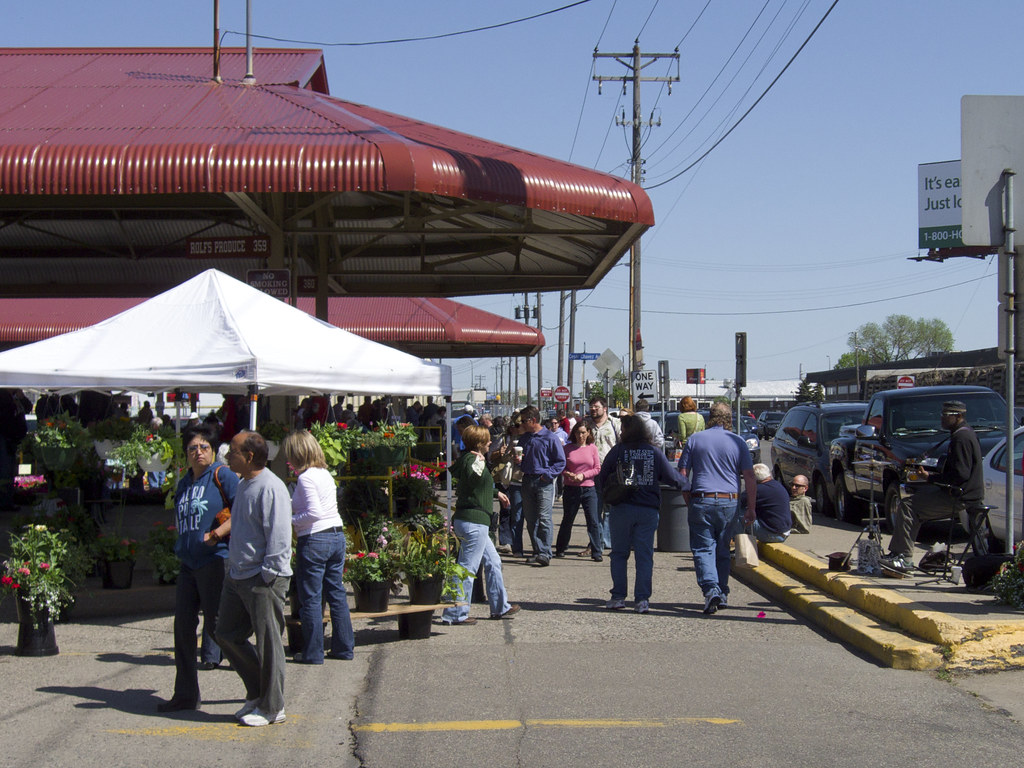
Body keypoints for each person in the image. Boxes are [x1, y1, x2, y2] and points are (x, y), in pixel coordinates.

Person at [157, 424, 240, 713]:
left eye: (204, 447)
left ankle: (256, 684)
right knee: (182, 628)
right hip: (188, 564)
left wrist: (218, 533)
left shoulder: (222, 475)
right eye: (193, 448)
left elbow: (244, 509)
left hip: (214, 561)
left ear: (214, 451)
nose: (198, 452)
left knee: (220, 629)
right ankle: (185, 694)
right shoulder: (184, 482)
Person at [216, 431, 293, 727]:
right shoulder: (245, 483)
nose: (227, 456)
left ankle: (273, 707)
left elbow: (279, 536)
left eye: (232, 452)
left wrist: (268, 575)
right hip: (238, 576)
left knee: (269, 644)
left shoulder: (271, 487)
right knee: (225, 634)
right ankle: (259, 693)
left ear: (249, 457)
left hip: (262, 579)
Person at [882, 400, 985, 572]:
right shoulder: (964, 433)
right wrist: (930, 477)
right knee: (916, 501)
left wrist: (931, 477)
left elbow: (961, 475)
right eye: (942, 414)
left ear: (958, 416)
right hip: (960, 492)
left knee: (908, 506)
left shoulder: (961, 438)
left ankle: (903, 558)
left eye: (946, 415)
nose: (942, 419)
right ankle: (900, 554)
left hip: (961, 496)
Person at [599, 415, 686, 613]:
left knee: (619, 554)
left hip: (621, 508)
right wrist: (691, 486)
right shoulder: (653, 451)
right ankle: (642, 599)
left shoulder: (618, 451)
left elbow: (602, 476)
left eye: (622, 429)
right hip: (647, 509)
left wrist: (606, 495)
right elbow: (672, 477)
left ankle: (618, 596)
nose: (620, 432)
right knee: (644, 555)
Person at [282, 430, 354, 664]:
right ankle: (344, 647)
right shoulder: (324, 474)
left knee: (311, 598)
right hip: (336, 534)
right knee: (336, 593)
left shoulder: (306, 478)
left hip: (314, 538)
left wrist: (289, 520)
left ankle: (313, 652)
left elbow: (313, 513)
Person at [679, 402, 756, 615]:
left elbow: (683, 474)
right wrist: (751, 507)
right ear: (729, 419)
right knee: (723, 549)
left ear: (709, 417)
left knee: (703, 548)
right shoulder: (738, 441)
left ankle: (711, 588)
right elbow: (749, 476)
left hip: (701, 499)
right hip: (729, 501)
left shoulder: (695, 439)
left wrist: (688, 499)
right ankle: (722, 592)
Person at [441, 425, 520, 625]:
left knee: (493, 562)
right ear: (479, 443)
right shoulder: (473, 460)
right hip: (473, 522)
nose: (489, 443)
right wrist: (480, 465)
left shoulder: (471, 459)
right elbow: (473, 478)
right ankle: (455, 613)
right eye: (486, 440)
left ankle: (499, 607)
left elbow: (473, 486)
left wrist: (496, 493)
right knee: (466, 569)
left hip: (474, 521)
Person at [515, 405, 566, 567]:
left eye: (524, 421)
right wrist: (518, 462)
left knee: (544, 518)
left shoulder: (550, 438)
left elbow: (560, 462)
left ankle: (545, 553)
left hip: (543, 482)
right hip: (528, 480)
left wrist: (548, 475)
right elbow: (521, 460)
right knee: (531, 520)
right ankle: (537, 551)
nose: (521, 424)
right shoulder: (525, 438)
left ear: (533, 420)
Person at [554, 420, 603, 560]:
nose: (580, 435)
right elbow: (561, 466)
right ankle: (561, 548)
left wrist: (583, 475)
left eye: (583, 432)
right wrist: (567, 474)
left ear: (588, 433)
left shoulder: (592, 448)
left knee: (593, 520)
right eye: (578, 432)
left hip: (588, 489)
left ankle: (596, 551)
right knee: (568, 519)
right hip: (571, 488)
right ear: (574, 433)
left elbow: (597, 468)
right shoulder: (568, 448)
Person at [588, 396, 621, 555]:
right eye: (591, 407)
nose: (593, 410)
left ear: (605, 408)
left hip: (611, 474)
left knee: (610, 510)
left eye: (596, 407)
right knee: (595, 509)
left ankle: (607, 541)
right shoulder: (587, 425)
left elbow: (622, 444)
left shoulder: (615, 424)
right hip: (591, 474)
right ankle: (597, 541)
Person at [491, 412, 526, 556]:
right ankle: (506, 541)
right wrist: (500, 452)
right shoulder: (503, 439)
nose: (515, 429)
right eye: (513, 426)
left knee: (517, 512)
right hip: (503, 478)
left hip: (519, 479)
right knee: (506, 508)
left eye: (518, 426)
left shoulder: (526, 439)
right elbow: (490, 456)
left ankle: (515, 541)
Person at [0, 389, 30, 511]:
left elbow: (28, 407)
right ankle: (4, 502)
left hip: (11, 438)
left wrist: (21, 397)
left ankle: (8, 499)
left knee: (10, 468)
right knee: (6, 469)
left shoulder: (14, 397)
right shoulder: (4, 397)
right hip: (5, 437)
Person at [750, 463, 791, 543]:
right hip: (784, 532)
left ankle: (738, 544)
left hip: (773, 535)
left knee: (737, 514)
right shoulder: (776, 485)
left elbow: (738, 502)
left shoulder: (759, 489)